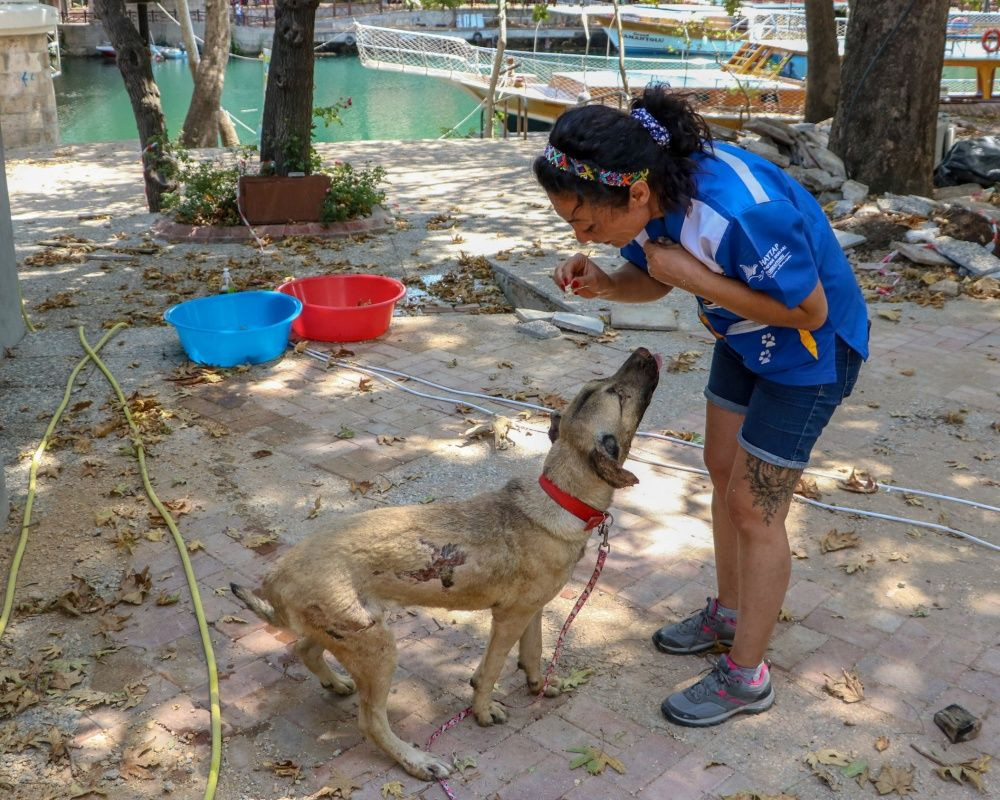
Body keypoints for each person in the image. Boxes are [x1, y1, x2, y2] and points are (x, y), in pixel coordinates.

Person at [533, 87, 869, 727]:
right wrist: (606, 283)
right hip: (742, 334)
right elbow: (654, 274)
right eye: (572, 226)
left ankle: (747, 678)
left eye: (587, 225)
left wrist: (697, 280)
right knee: (720, 466)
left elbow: (809, 310)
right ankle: (731, 613)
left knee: (754, 508)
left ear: (635, 194)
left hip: (811, 351)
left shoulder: (744, 214)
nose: (581, 236)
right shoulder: (648, 187)